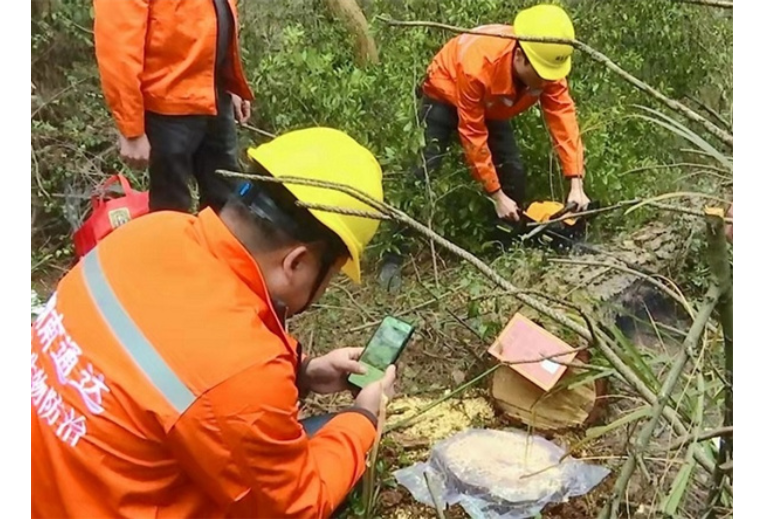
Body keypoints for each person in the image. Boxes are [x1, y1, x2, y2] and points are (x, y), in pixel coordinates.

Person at [31, 127, 396, 519]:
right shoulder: (241, 368)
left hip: (60, 488)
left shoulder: (150, 231)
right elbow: (297, 505)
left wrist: (302, 374)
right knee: (331, 448)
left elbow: (177, 365)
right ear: (298, 262)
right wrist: (363, 419)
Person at [379, 4, 589, 288]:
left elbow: (563, 118)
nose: (545, 83)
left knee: (512, 171)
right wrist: (495, 194)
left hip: (492, 105)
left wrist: (575, 181)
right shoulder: (480, 64)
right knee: (422, 174)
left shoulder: (547, 65)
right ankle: (392, 258)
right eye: (540, 77)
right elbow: (472, 132)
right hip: (446, 91)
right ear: (519, 57)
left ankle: (502, 252)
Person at [93, 0, 255, 214]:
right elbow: (118, 44)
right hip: (165, 108)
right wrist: (131, 127)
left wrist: (228, 78)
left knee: (228, 206)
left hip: (213, 95)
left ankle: (219, 247)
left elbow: (217, 13)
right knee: (170, 210)